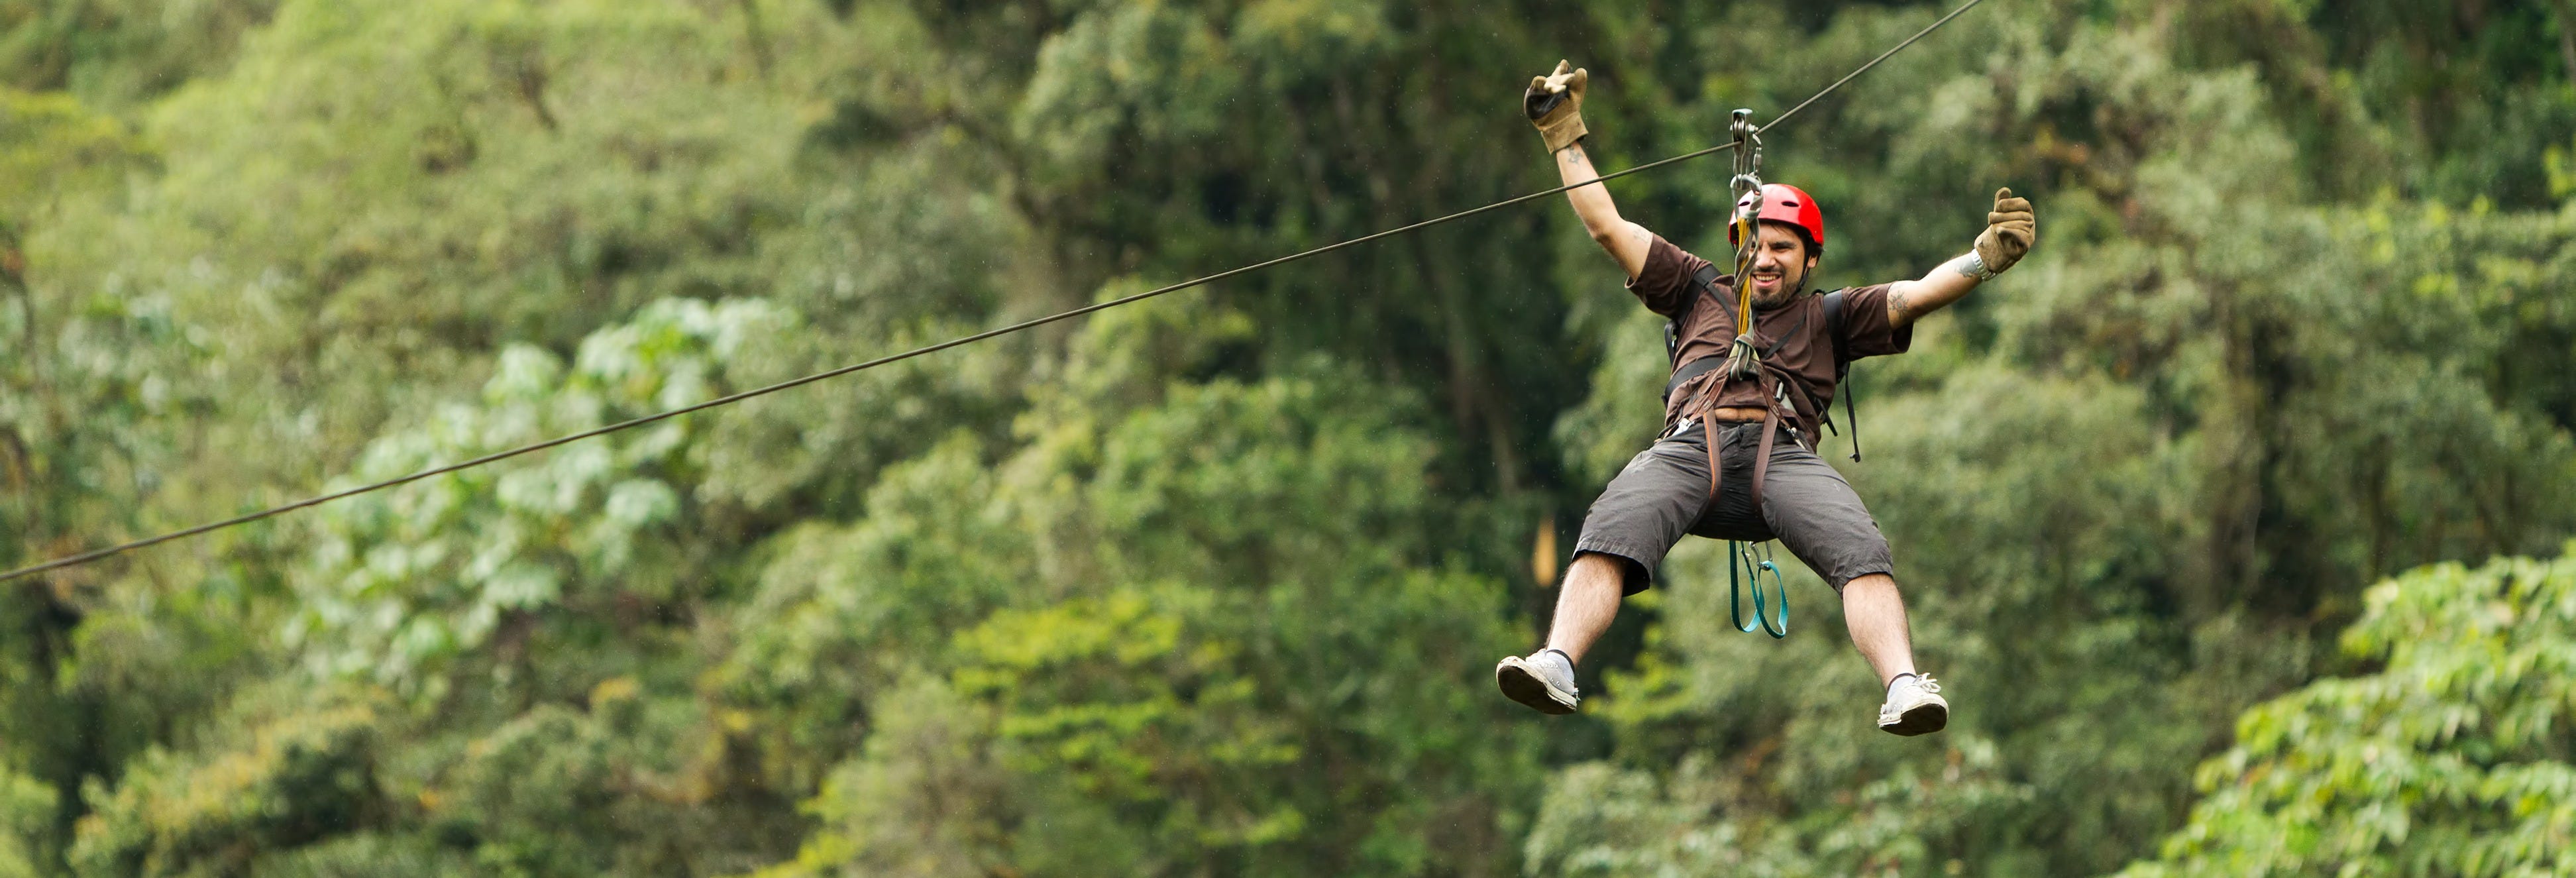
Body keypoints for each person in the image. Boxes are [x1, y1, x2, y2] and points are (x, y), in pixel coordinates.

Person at [1494, 61, 2035, 736]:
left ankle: (1902, 683)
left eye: (1783, 247)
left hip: (1783, 459)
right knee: (1610, 529)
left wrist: (1984, 258)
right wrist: (1562, 132)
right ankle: (1559, 662)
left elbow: (1918, 291)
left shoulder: (1832, 316)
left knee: (1861, 549)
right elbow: (1607, 226)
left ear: (1809, 260)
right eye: (1755, 244)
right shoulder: (1697, 289)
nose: (1767, 257)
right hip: (1692, 446)